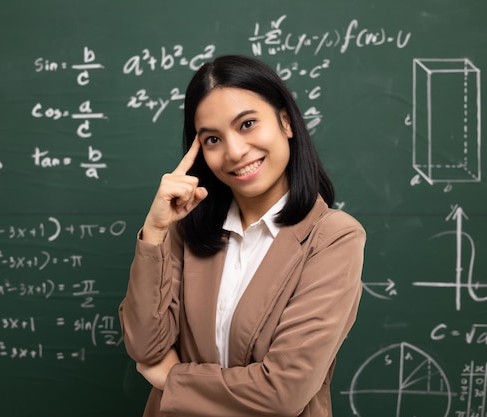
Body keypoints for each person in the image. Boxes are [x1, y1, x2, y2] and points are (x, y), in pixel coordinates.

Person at [119, 54, 365, 417]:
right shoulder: (187, 230)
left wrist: (172, 378)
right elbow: (144, 347)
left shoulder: (332, 237)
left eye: (247, 124)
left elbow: (282, 393)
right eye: (213, 139)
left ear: (285, 122)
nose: (234, 152)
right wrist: (155, 232)